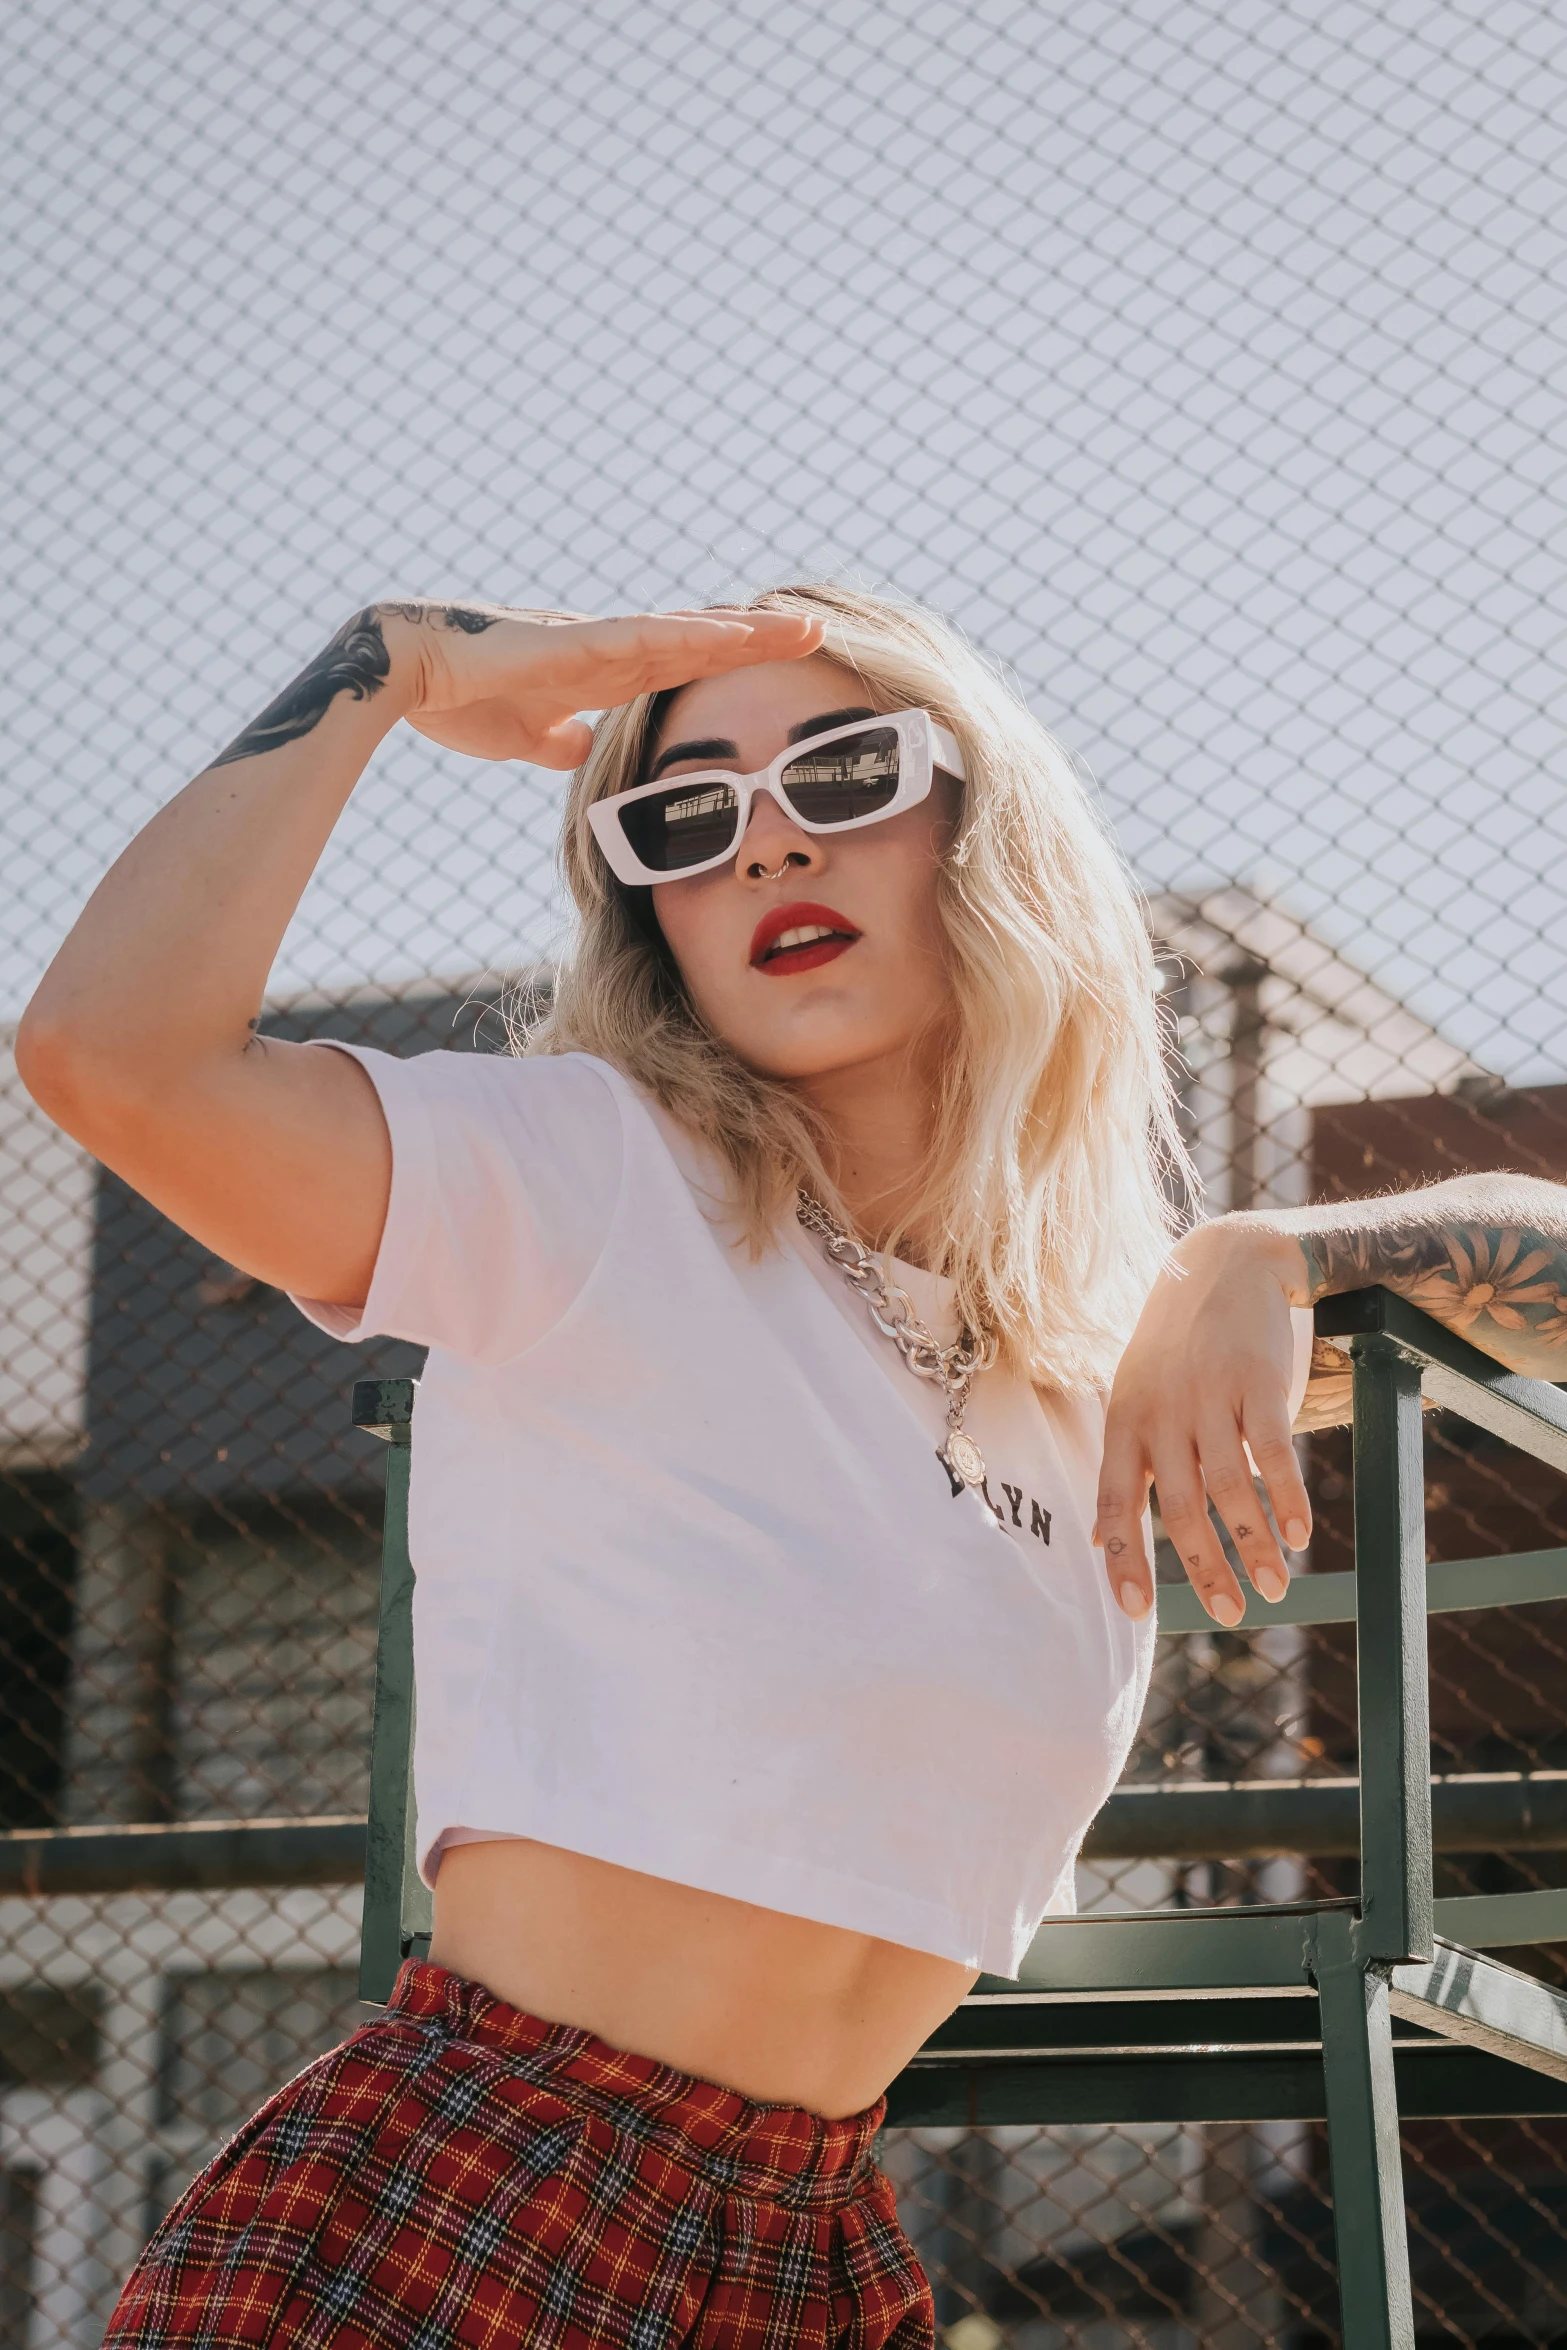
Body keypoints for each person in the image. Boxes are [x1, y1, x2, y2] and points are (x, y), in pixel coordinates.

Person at [20, 585, 1567, 2348]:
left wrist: (1272, 1251)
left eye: (844, 773)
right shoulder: (584, 1176)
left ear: (983, 826)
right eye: (685, 816)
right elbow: (110, 1055)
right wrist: (392, 670)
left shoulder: (1094, 1347)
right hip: (482, 2187)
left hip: (810, 2237)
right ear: (648, 911)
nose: (763, 844)